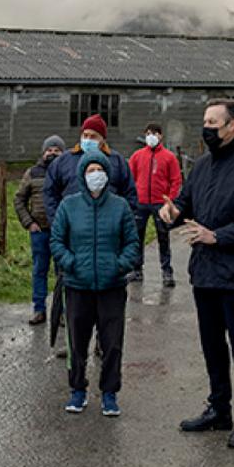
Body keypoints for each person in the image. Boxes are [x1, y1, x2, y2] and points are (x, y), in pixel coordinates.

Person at [161, 99, 234, 449]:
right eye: (205, 121)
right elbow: (187, 203)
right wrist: (173, 213)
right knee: (211, 344)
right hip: (205, 272)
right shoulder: (203, 166)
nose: (206, 127)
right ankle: (219, 408)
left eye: (213, 122)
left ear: (232, 126)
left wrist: (218, 236)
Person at [50, 151, 139, 416]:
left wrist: (119, 264)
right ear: (82, 174)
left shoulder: (120, 206)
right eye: (90, 171)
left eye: (99, 170)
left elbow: (132, 242)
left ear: (107, 174)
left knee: (112, 343)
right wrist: (70, 263)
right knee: (77, 342)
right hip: (78, 286)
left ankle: (110, 393)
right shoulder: (69, 206)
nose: (95, 175)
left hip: (111, 287)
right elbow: (57, 240)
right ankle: (78, 390)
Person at [42, 114, 137, 225]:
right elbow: (50, 193)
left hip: (108, 225)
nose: (88, 140)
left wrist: (122, 223)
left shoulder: (117, 161)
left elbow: (130, 194)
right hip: (72, 224)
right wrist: (57, 222)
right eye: (85, 135)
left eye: (93, 136)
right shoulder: (63, 161)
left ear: (103, 139)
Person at [15, 134, 65, 325]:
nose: (52, 153)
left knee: (63, 273)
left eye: (57, 150)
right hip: (40, 231)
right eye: (49, 150)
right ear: (43, 152)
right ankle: (39, 309)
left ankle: (62, 312)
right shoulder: (32, 173)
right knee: (39, 271)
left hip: (62, 232)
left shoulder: (66, 172)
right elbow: (19, 199)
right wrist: (29, 222)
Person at [127, 122, 182, 287]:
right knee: (137, 237)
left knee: (163, 237)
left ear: (160, 136)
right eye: (148, 133)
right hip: (141, 203)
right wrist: (134, 197)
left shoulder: (169, 157)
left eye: (154, 133)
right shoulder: (137, 156)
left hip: (160, 204)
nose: (151, 136)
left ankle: (166, 271)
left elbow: (176, 180)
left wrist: (169, 200)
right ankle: (136, 269)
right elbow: (131, 177)